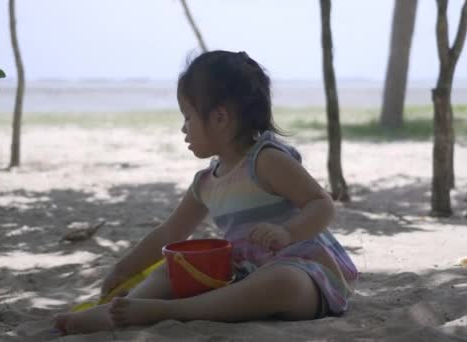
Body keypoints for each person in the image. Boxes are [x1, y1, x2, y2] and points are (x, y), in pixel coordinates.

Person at [54, 50, 358, 335]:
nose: (183, 129)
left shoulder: (266, 160)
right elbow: (169, 233)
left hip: (307, 274)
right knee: (170, 268)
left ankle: (172, 311)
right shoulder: (205, 182)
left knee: (281, 282)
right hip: (245, 276)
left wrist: (288, 232)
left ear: (219, 118)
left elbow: (322, 204)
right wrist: (122, 269)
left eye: (187, 117)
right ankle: (117, 310)